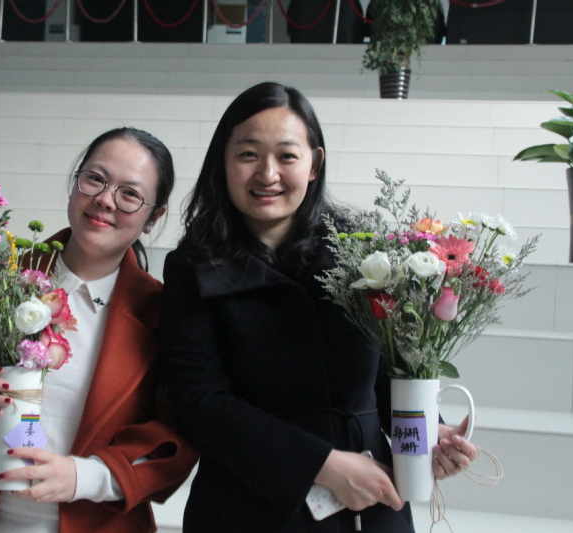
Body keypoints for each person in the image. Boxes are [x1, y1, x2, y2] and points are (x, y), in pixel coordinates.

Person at [158, 82, 478, 532]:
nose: (267, 173)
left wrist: (426, 434)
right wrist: (322, 466)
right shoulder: (192, 267)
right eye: (248, 154)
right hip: (250, 506)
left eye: (287, 156)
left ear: (314, 164)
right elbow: (201, 404)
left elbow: (389, 375)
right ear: (222, 162)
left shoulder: (363, 255)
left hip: (372, 499)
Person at [0, 127, 199, 533]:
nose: (105, 199)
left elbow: (175, 438)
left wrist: (86, 476)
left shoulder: (163, 314)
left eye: (130, 194)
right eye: (95, 179)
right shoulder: (4, 280)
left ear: (154, 218)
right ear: (75, 183)